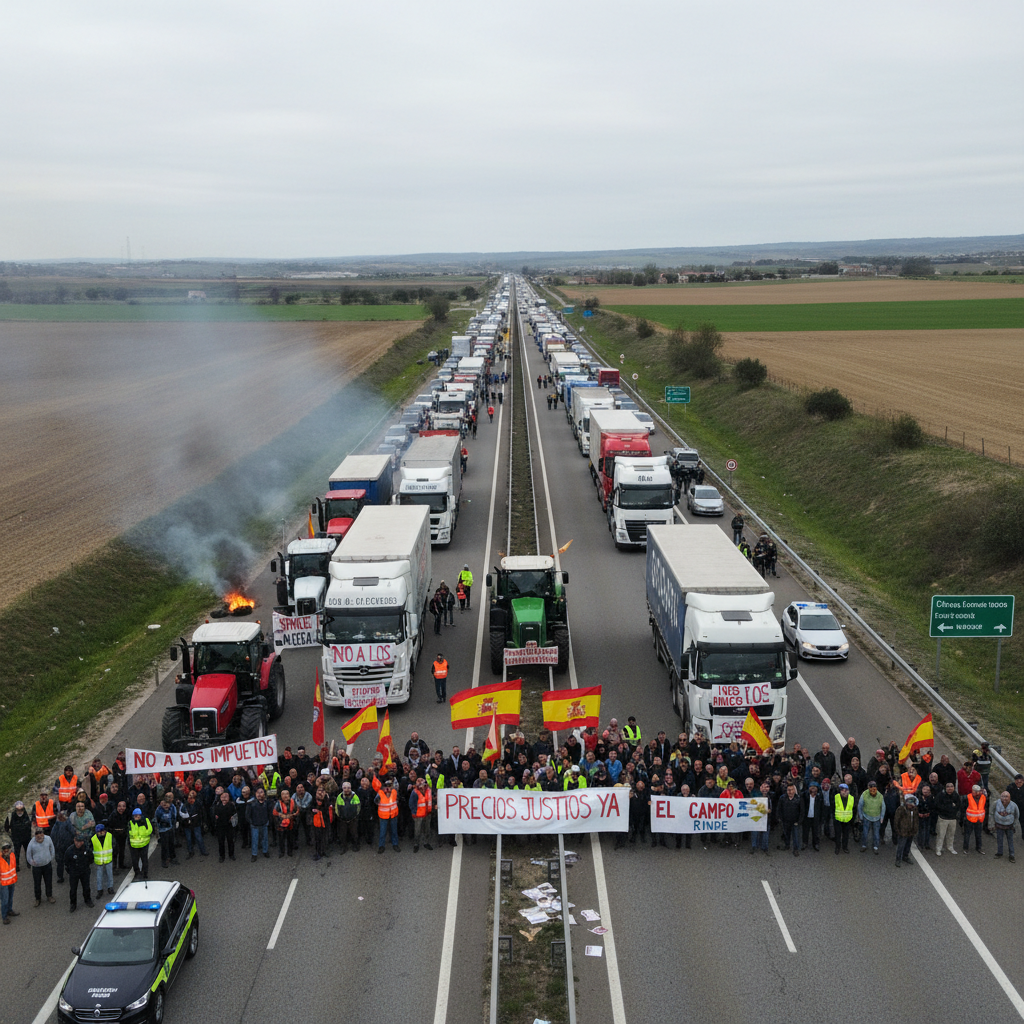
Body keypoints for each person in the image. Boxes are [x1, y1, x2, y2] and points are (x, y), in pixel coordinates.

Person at [26, 828, 56, 907]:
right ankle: (38, 899)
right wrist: (32, 863)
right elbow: (28, 855)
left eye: (41, 833)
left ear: (43, 833)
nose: (39, 836)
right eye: (37, 834)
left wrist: (50, 859)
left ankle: (49, 896)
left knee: (48, 882)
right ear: (35, 835)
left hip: (47, 865)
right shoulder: (31, 843)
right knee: (37, 883)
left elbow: (52, 849)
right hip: (37, 868)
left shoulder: (48, 839)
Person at [64, 834, 94, 913]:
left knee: (86, 887)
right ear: (74, 840)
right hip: (74, 873)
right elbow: (66, 863)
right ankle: (73, 904)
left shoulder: (87, 849)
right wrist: (71, 871)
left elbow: (91, 859)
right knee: (73, 889)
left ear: (83, 842)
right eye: (77, 841)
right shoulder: (70, 850)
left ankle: (88, 900)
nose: (78, 843)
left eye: (80, 841)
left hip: (85, 871)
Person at [3, 801, 33, 869]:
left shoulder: (27, 815)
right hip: (16, 839)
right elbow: (6, 827)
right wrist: (11, 835)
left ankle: (29, 864)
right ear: (15, 809)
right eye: (18, 810)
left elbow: (31, 825)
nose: (19, 811)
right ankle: (17, 866)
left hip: (26, 838)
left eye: (21, 809)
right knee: (16, 852)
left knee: (28, 851)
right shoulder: (11, 816)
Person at [179, 791, 207, 858]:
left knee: (199, 838)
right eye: (189, 798)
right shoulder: (184, 805)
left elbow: (202, 813)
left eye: (192, 798)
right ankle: (191, 851)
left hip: (196, 823)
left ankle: (203, 850)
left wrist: (203, 821)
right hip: (187, 824)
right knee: (189, 839)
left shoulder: (198, 804)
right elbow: (182, 813)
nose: (190, 800)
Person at [934, 782, 960, 856]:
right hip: (943, 818)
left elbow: (958, 806)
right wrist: (950, 807)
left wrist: (952, 808)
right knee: (941, 835)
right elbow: (937, 805)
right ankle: (938, 849)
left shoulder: (956, 795)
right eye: (948, 786)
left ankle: (950, 847)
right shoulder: (941, 795)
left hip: (953, 818)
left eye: (951, 786)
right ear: (945, 788)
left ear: (954, 788)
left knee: (951, 834)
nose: (949, 788)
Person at [375, 777, 400, 853]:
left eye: (390, 785)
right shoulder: (380, 793)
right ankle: (381, 846)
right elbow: (375, 801)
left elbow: (397, 800)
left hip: (393, 815)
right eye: (387, 785)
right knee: (383, 832)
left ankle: (395, 844)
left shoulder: (394, 792)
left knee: (394, 831)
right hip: (383, 816)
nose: (388, 787)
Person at [993, 791, 1019, 862]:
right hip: (999, 826)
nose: (1004, 798)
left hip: (1009, 826)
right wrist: (992, 822)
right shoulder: (996, 803)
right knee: (999, 840)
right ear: (1000, 797)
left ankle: (1012, 855)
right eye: (1003, 796)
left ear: (1009, 797)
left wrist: (1014, 824)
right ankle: (999, 853)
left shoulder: (1014, 805)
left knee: (1010, 841)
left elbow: (1017, 815)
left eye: (1006, 796)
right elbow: (992, 812)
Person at [893, 794, 919, 867]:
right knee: (901, 846)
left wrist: (915, 829)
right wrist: (898, 831)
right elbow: (896, 821)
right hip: (903, 832)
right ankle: (898, 859)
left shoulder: (915, 809)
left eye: (912, 804)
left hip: (911, 831)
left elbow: (916, 820)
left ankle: (905, 856)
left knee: (908, 845)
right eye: (909, 803)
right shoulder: (901, 809)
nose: (911, 805)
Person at [859, 780, 884, 853]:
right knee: (865, 833)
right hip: (866, 817)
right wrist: (860, 816)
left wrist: (881, 817)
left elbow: (883, 807)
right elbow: (860, 805)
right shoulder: (864, 794)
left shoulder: (880, 796)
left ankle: (875, 847)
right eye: (871, 787)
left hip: (877, 817)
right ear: (868, 787)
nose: (873, 788)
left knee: (876, 834)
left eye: (874, 787)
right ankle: (864, 845)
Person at [778, 782, 803, 856]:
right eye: (789, 790)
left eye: (792, 790)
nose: (790, 792)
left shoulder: (799, 799)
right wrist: (780, 818)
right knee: (786, 835)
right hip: (785, 821)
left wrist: (799, 821)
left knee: (796, 836)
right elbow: (779, 809)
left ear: (794, 790)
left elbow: (802, 811)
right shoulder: (782, 798)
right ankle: (787, 845)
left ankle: (796, 849)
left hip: (795, 821)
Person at [154, 794, 178, 869]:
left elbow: (175, 816)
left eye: (167, 805)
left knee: (171, 843)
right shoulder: (159, 809)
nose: (166, 806)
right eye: (164, 805)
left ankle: (172, 857)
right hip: (163, 830)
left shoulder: (172, 807)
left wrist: (173, 824)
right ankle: (164, 860)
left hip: (170, 828)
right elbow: (156, 819)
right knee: (164, 845)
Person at [409, 778, 433, 852]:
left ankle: (426, 842)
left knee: (427, 829)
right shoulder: (414, 792)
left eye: (423, 784)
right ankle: (416, 844)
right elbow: (411, 804)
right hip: (418, 815)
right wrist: (414, 813)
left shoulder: (428, 790)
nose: (422, 786)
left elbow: (431, 799)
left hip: (427, 813)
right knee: (417, 830)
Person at [335, 782, 361, 853]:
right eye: (345, 788)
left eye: (348, 788)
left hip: (353, 820)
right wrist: (340, 817)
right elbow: (336, 808)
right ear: (342, 788)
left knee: (354, 833)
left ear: (351, 788)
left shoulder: (355, 797)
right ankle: (344, 847)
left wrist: (354, 817)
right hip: (342, 820)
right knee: (342, 834)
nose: (346, 789)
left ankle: (355, 845)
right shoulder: (339, 797)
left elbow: (358, 808)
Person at [246, 787, 271, 861]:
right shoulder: (251, 803)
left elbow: (269, 812)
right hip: (255, 825)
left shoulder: (267, 803)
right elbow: (247, 815)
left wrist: (267, 821)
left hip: (264, 823)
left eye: (261, 792)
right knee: (254, 840)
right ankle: (254, 854)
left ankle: (265, 851)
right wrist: (251, 822)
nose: (259, 794)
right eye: (257, 792)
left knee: (265, 838)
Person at [51, 811, 75, 884]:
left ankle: (70, 871)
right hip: (59, 847)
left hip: (67, 846)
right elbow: (53, 836)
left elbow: (73, 833)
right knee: (59, 863)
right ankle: (60, 877)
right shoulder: (56, 825)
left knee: (69, 861)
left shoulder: (68, 823)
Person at [91, 822, 115, 895]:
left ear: (105, 830)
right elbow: (90, 847)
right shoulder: (93, 839)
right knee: (99, 876)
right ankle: (99, 889)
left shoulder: (109, 836)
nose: (101, 833)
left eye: (102, 831)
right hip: (99, 860)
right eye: (99, 832)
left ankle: (110, 887)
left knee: (109, 874)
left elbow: (114, 844)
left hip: (108, 859)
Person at [212, 791, 236, 862]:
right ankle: (222, 856)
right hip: (220, 826)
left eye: (226, 797)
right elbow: (214, 814)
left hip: (229, 826)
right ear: (220, 798)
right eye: (222, 797)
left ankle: (231, 854)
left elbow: (235, 814)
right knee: (221, 841)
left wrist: (233, 818)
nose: (224, 798)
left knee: (230, 841)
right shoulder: (217, 805)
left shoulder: (231, 805)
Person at [273, 789, 298, 858]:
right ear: (281, 796)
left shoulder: (293, 802)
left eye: (287, 794)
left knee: (290, 838)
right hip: (281, 824)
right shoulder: (278, 803)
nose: (285, 796)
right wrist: (281, 815)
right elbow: (274, 812)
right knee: (281, 839)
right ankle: (282, 851)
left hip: (291, 823)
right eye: (283, 794)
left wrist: (292, 815)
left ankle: (290, 851)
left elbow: (297, 811)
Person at [801, 782, 823, 851]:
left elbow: (822, 808)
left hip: (815, 817)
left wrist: (821, 818)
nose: (813, 789)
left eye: (815, 787)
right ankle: (805, 843)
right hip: (806, 817)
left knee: (816, 831)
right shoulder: (804, 795)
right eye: (811, 787)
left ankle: (815, 844)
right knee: (805, 831)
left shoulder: (819, 796)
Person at [833, 782, 855, 854]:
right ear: (840, 791)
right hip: (838, 819)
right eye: (842, 789)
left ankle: (845, 847)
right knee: (838, 835)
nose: (844, 791)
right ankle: (837, 847)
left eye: (846, 789)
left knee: (846, 835)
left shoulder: (852, 798)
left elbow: (853, 809)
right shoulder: (836, 797)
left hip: (847, 819)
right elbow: (832, 808)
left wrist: (852, 819)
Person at [963, 784, 985, 854]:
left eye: (979, 791)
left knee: (978, 835)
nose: (977, 793)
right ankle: (965, 848)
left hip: (979, 820)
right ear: (972, 791)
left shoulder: (983, 797)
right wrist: (963, 818)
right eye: (976, 792)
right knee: (967, 835)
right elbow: (963, 808)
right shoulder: (967, 797)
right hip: (969, 820)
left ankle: (979, 848)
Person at [0, 839, 18, 924]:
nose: (6, 850)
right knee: (5, 900)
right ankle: (4, 916)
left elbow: (13, 867)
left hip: (11, 881)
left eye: (8, 848)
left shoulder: (12, 855)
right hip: (3, 883)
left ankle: (9, 910)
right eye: (4, 848)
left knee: (10, 898)